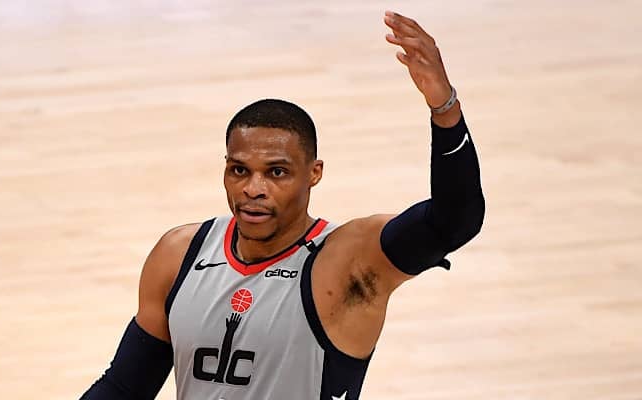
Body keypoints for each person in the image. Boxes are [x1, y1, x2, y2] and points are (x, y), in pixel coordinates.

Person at [80, 10, 484, 400]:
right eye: (239, 171)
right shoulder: (179, 254)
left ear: (314, 173)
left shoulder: (347, 261)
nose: (253, 189)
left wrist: (444, 109)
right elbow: (124, 389)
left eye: (276, 172)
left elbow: (454, 221)